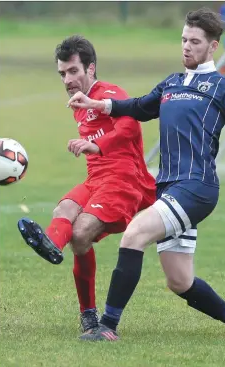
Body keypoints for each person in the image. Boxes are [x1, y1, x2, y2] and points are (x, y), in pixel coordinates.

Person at [67, 8, 225, 341]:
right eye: (184, 39)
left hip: (197, 187)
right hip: (169, 188)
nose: (186, 46)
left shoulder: (222, 87)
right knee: (179, 281)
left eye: (195, 42)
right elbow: (140, 106)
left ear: (213, 47)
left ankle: (107, 327)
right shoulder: (172, 82)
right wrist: (99, 106)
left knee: (135, 233)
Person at [17, 35, 156, 335]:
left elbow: (130, 125)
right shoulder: (77, 104)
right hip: (96, 180)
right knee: (64, 208)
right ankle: (52, 245)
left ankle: (91, 315)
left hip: (124, 182)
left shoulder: (110, 93)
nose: (67, 79)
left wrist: (98, 146)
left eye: (73, 71)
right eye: (63, 74)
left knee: (79, 234)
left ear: (90, 69)